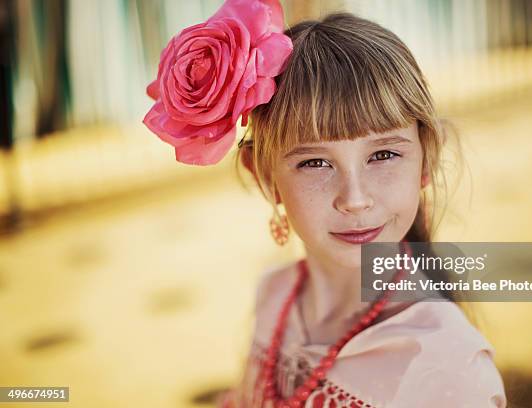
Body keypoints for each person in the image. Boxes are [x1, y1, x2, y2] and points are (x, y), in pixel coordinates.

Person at [143, 1, 507, 407]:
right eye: (315, 162)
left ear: (426, 160)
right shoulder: (275, 296)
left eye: (383, 155)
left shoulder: (446, 367)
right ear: (264, 177)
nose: (355, 199)